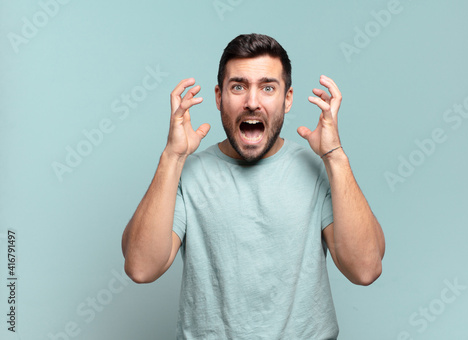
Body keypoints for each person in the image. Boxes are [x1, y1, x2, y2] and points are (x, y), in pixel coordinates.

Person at [122, 33, 385, 339]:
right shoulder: (187, 173)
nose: (251, 102)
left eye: (268, 88)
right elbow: (140, 268)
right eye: (238, 87)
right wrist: (172, 156)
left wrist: (334, 156)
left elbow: (365, 269)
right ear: (220, 97)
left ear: (287, 99)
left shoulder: (316, 170)